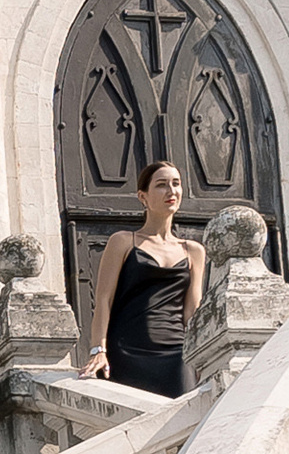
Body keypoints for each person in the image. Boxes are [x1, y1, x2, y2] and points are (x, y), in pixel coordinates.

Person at [82, 156, 206, 397]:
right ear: (143, 197)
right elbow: (104, 300)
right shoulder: (123, 242)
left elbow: (192, 311)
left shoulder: (193, 250)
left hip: (176, 353)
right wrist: (98, 349)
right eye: (161, 184)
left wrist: (201, 355)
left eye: (176, 183)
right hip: (127, 350)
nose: (171, 191)